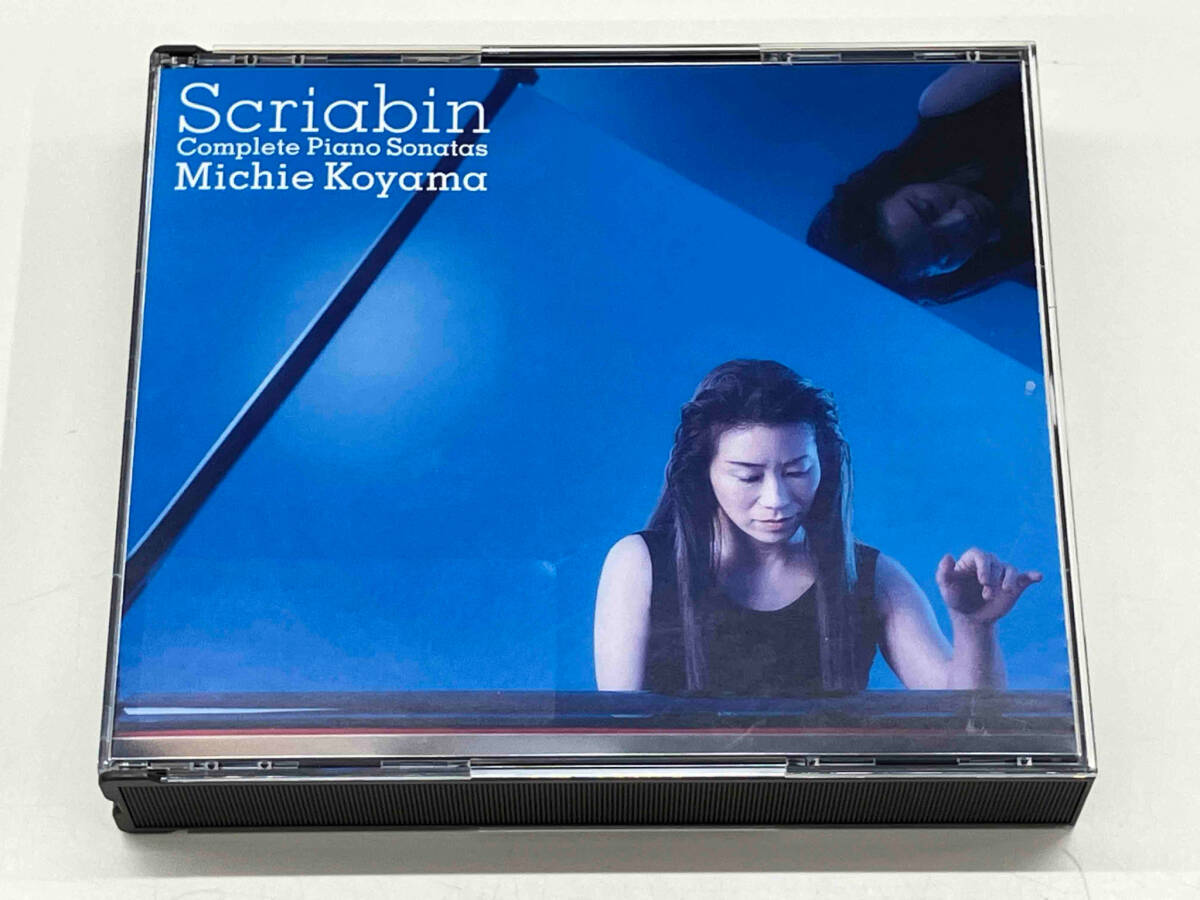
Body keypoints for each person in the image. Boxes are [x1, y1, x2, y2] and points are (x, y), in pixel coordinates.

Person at [593, 359, 1041, 695]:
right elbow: (619, 738)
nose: (776, 499)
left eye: (797, 471)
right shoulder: (639, 564)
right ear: (702, 472)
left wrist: (973, 627)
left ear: (822, 464)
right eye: (748, 476)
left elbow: (966, 720)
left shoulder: (872, 576)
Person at [806, 65, 1035, 305]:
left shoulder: (951, 105)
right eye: (942, 250)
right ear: (938, 276)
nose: (961, 217)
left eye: (927, 208)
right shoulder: (1041, 266)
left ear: (897, 185)